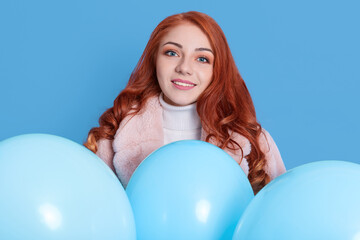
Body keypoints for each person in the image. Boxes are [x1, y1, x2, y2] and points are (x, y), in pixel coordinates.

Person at [84, 11, 286, 194]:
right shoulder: (112, 137)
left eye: (202, 59)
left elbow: (279, 216)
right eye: (172, 53)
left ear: (218, 70)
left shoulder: (255, 141)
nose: (184, 68)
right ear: (155, 60)